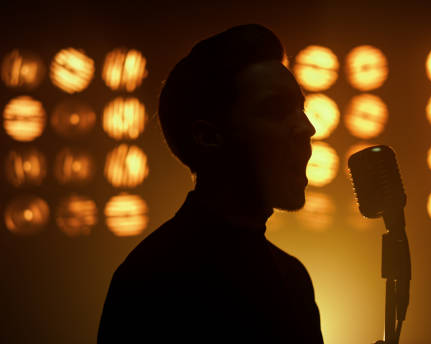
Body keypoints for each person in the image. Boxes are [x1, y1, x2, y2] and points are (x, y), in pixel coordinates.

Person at [97, 24, 323, 343]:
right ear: (208, 137)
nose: (307, 128)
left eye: (300, 109)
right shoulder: (152, 279)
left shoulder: (292, 279)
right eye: (275, 110)